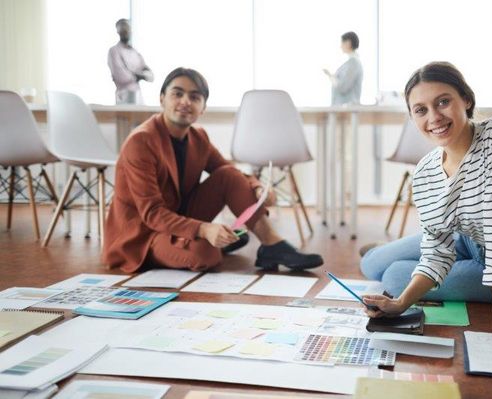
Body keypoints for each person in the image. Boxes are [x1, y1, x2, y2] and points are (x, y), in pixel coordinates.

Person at [360, 62, 492, 359]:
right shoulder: (425, 171)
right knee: (372, 265)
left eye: (443, 102)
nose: (434, 117)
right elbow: (437, 251)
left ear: (467, 100)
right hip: (467, 239)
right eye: (420, 110)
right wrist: (398, 306)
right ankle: (391, 250)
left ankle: (400, 253)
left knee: (396, 277)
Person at [102, 67, 323, 273]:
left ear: (203, 108)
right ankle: (209, 242)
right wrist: (205, 230)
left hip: (178, 217)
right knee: (205, 255)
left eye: (195, 97)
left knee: (228, 176)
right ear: (162, 98)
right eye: (177, 94)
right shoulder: (141, 141)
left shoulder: (198, 137)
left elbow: (228, 171)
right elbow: (152, 213)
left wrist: (257, 187)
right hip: (144, 234)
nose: (185, 102)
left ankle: (272, 245)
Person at [107, 18, 154, 104]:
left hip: (138, 97)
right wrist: (140, 75)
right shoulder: (114, 51)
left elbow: (150, 76)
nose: (126, 31)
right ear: (118, 31)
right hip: (123, 96)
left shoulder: (135, 52)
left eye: (128, 28)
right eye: (123, 29)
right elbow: (122, 77)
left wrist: (137, 74)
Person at [323, 31, 363, 105]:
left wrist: (330, 76)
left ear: (348, 43)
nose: (340, 46)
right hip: (341, 109)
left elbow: (343, 87)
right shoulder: (349, 63)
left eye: (342, 43)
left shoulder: (354, 63)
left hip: (347, 110)